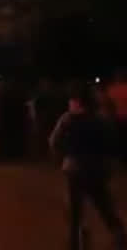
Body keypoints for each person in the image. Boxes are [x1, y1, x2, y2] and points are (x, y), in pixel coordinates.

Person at [50, 85, 126, 250]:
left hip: (74, 169)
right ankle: (119, 235)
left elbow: (54, 142)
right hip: (97, 168)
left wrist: (62, 156)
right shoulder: (102, 119)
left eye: (71, 100)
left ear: (77, 102)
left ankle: (76, 242)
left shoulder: (67, 119)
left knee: (75, 210)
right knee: (104, 204)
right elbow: (112, 144)